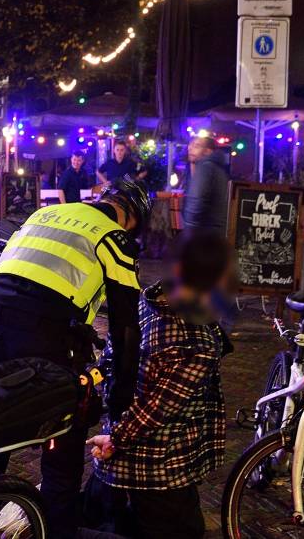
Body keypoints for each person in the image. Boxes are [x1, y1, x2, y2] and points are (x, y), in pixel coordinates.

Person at [0, 176, 151, 539]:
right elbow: (126, 327)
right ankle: (56, 530)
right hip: (43, 335)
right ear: (131, 218)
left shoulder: (46, 214)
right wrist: (119, 399)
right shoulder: (115, 238)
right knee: (63, 444)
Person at [86, 229, 233, 539]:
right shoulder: (196, 343)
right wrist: (114, 440)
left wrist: (111, 433)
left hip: (116, 464)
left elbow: (108, 364)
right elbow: (155, 410)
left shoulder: (144, 302)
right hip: (161, 469)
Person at [182, 135, 230, 234]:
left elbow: (196, 203)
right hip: (214, 233)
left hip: (203, 233)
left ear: (208, 151)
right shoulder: (216, 167)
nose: (190, 149)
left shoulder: (206, 168)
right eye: (190, 145)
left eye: (197, 146)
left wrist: (189, 230)